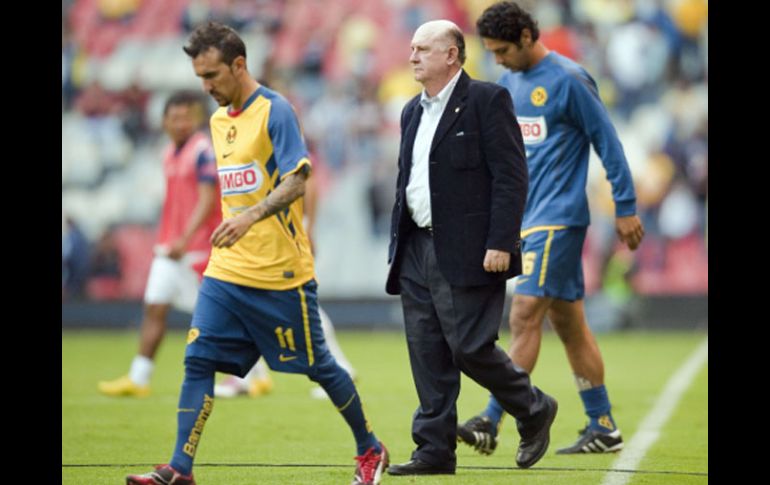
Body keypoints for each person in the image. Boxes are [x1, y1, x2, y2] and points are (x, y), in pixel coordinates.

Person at [126, 22, 388, 485]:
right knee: (198, 360)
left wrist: (251, 216)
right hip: (228, 271)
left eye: (212, 75)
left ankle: (369, 448)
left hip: (280, 273)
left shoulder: (275, 111)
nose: (205, 87)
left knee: (320, 367)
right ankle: (179, 469)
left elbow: (298, 179)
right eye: (200, 77)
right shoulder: (217, 119)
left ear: (239, 65)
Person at [457, 1, 645, 456]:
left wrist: (625, 205)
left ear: (525, 36)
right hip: (524, 220)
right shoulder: (508, 82)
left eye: (502, 49)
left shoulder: (569, 80)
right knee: (569, 322)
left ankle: (493, 418)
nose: (496, 59)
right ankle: (603, 426)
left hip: (558, 218)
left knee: (523, 315)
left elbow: (607, 140)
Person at [385, 20, 557, 477]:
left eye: (422, 48)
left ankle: (532, 406)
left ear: (451, 55)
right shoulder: (411, 111)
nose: (412, 56)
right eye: (411, 47)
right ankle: (434, 451)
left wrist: (502, 240)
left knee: (469, 348)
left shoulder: (487, 100)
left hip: (471, 248)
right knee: (427, 352)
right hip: (415, 246)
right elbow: (410, 180)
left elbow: (511, 175)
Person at [98, 91, 220, 398]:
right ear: (164, 121)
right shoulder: (169, 152)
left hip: (196, 249)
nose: (181, 123)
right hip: (169, 248)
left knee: (216, 317)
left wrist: (185, 238)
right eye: (175, 117)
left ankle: (253, 374)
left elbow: (207, 201)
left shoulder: (203, 151)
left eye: (186, 117)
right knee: (154, 307)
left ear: (195, 119)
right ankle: (139, 378)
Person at [213, 174, 357, 400]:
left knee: (294, 303)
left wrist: (308, 226)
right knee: (256, 299)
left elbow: (308, 178)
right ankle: (249, 374)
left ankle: (337, 368)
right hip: (265, 237)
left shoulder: (278, 140)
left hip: (283, 238)